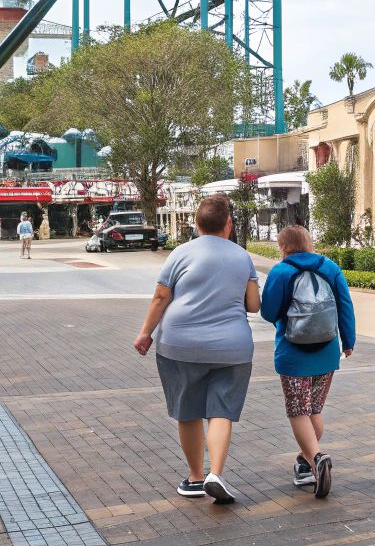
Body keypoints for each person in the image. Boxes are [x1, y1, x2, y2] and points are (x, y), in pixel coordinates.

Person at [134, 195, 260, 505]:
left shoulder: (180, 253)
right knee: (221, 411)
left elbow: (161, 297)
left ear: (196, 224)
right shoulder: (242, 257)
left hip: (180, 344)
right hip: (232, 348)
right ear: (228, 224)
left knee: (188, 411)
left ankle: (194, 477)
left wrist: (145, 333)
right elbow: (254, 306)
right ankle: (216, 473)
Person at [258, 224, 355, 499]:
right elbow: (345, 305)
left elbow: (268, 312)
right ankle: (305, 463)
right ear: (310, 243)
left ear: (282, 247)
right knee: (313, 411)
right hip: (326, 353)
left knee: (298, 411)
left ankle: (317, 459)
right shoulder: (330, 267)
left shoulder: (281, 271)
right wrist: (348, 342)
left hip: (292, 353)